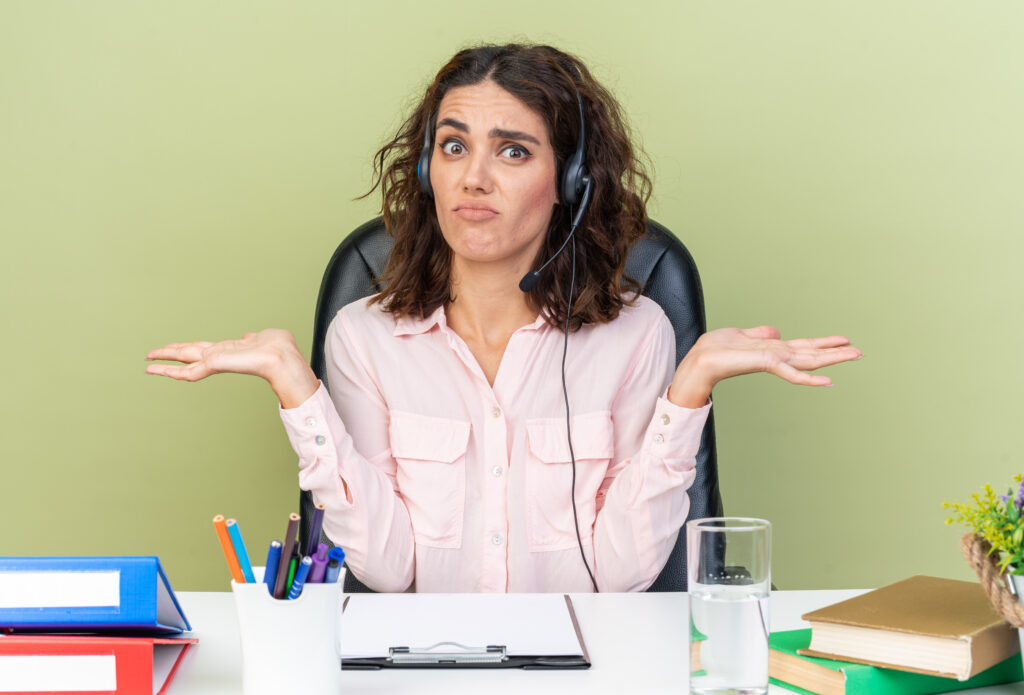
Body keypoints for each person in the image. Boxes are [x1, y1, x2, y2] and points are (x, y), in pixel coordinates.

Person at [145, 44, 861, 593]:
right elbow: (389, 571)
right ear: (428, 170)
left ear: (572, 182)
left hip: (592, 671)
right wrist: (297, 389)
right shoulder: (361, 337)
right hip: (419, 672)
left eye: (512, 151)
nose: (473, 177)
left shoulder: (638, 334)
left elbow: (621, 572)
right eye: (453, 146)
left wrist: (691, 383)